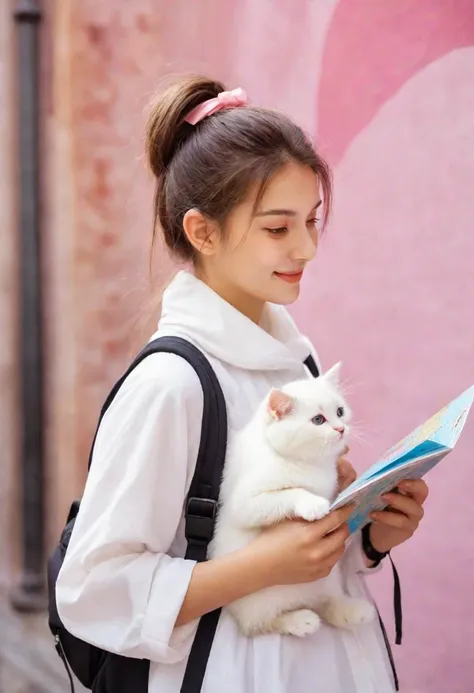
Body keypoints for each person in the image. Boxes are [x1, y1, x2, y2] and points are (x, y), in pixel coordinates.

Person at [56, 75, 429, 693]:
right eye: (278, 228)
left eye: (311, 221)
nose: (306, 247)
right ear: (202, 232)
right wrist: (258, 567)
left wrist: (370, 536)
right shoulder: (171, 383)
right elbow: (93, 589)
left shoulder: (296, 364)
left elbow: (299, 545)